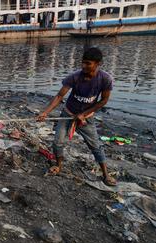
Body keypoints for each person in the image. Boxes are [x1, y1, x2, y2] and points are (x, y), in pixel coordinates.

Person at [37, 47, 117, 186]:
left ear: (98, 64)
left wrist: (84, 114)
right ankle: (59, 165)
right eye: (83, 62)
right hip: (68, 114)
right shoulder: (75, 77)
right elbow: (60, 96)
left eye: (88, 63)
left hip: (86, 117)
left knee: (95, 146)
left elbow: (103, 101)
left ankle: (106, 174)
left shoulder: (105, 79)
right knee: (57, 142)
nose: (84, 66)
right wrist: (45, 112)